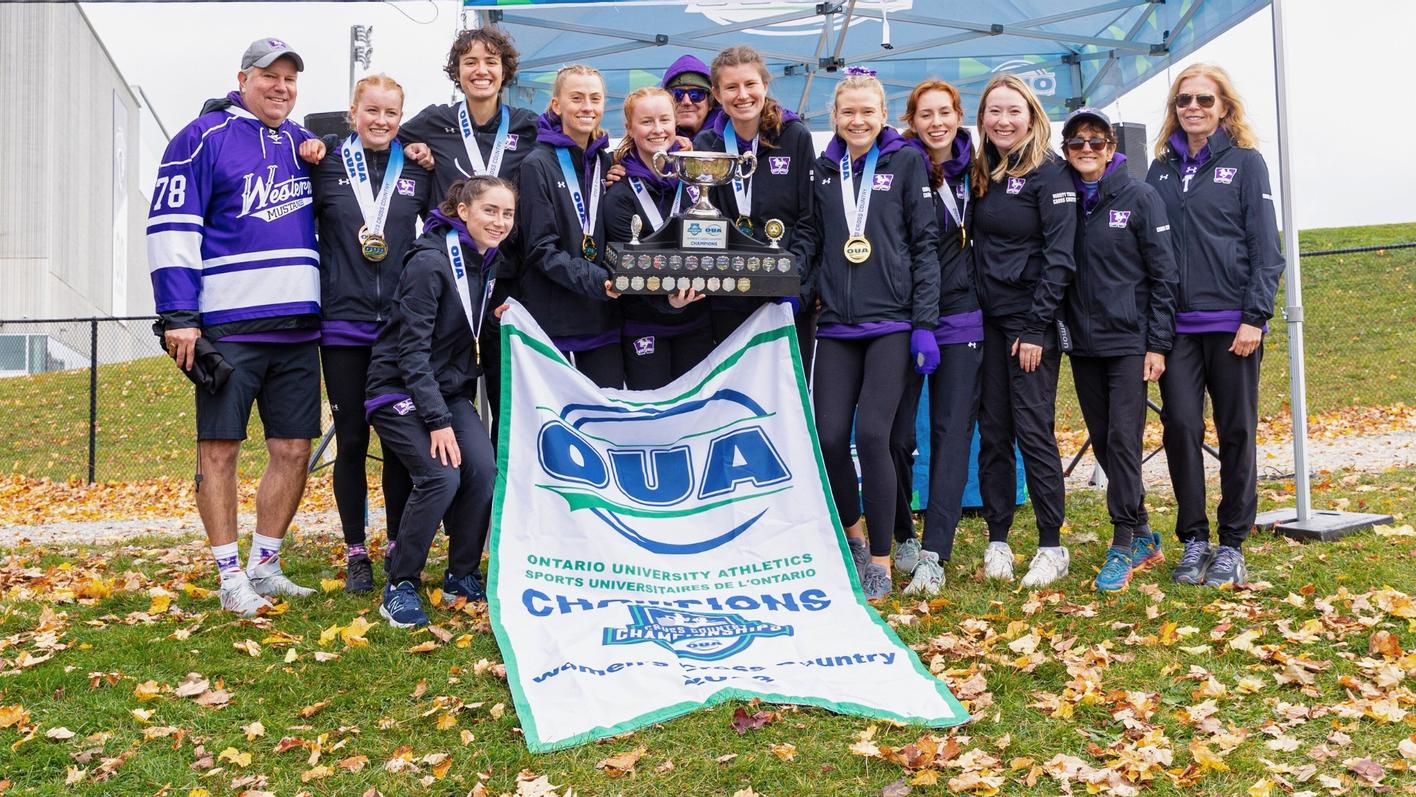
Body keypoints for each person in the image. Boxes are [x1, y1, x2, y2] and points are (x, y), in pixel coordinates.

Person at [148, 38, 323, 616]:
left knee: (294, 448)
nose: (281, 87)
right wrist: (179, 318)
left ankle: (265, 566)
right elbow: (172, 227)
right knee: (219, 452)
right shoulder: (201, 138)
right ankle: (229, 577)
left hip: (298, 329)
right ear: (242, 79)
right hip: (230, 328)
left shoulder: (301, 143)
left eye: (290, 79)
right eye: (269, 76)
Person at [792, 69, 941, 600]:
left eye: (867, 112)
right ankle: (854, 537)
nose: (857, 120)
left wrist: (924, 325)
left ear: (882, 115)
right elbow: (814, 235)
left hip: (893, 323)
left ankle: (880, 559)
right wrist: (796, 285)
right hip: (835, 324)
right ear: (834, 117)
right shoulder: (823, 168)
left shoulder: (905, 162)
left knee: (874, 436)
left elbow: (924, 246)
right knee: (830, 436)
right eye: (847, 112)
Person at [1146, 64, 1282, 587]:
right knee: (1179, 425)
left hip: (1233, 326)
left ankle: (1232, 543)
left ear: (1224, 106)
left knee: (1236, 431)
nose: (1194, 108)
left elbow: (1265, 248)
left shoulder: (1246, 164)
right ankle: (1194, 539)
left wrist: (1255, 316)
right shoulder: (1158, 171)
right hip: (1176, 329)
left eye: (1205, 99)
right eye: (1184, 101)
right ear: (1174, 109)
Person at [365, 176, 514, 628]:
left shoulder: (489, 260)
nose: (499, 221)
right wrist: (436, 420)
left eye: (507, 213)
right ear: (463, 210)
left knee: (484, 470)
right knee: (440, 475)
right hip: (397, 390)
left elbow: (477, 334)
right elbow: (411, 351)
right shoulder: (431, 261)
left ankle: (461, 576)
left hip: (447, 391)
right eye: (490, 210)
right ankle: (401, 583)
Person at [308, 74, 431, 593]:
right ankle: (356, 549)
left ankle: (401, 545)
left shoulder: (419, 168)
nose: (381, 121)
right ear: (352, 111)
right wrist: (309, 144)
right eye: (372, 111)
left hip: (398, 330)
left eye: (391, 113)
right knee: (353, 440)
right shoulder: (324, 162)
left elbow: (446, 226)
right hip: (342, 324)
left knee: (400, 441)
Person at [1059, 107, 1178, 592]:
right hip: (1084, 345)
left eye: (1097, 141)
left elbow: (1163, 275)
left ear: (1112, 147)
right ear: (1066, 149)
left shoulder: (1140, 196)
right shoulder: (1061, 198)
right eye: (1077, 142)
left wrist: (1158, 343)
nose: (1087, 150)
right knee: (1106, 442)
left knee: (1125, 443)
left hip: (1130, 342)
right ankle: (1146, 534)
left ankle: (1122, 542)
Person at [400, 27, 538, 435]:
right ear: (456, 71)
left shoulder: (528, 127)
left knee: (507, 404)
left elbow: (575, 145)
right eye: (470, 62)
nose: (481, 71)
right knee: (451, 387)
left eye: (491, 62)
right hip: (450, 281)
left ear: (505, 71)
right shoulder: (432, 122)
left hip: (507, 280)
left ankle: (499, 493)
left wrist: (610, 154)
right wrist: (410, 149)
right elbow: (378, 139)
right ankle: (455, 481)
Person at [970, 74, 1077, 588]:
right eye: (994, 111)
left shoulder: (1051, 174)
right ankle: (997, 540)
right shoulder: (985, 168)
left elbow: (1061, 258)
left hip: (1030, 327)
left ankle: (1051, 545)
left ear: (1032, 116)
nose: (1003, 121)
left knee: (1034, 432)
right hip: (987, 324)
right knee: (993, 434)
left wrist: (1036, 327)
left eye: (1014, 111)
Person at [889, 79, 984, 596]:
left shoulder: (980, 166)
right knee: (897, 435)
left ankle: (935, 552)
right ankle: (902, 533)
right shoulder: (900, 164)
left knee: (951, 437)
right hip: (909, 318)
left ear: (957, 114)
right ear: (912, 120)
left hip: (964, 318)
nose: (936, 123)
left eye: (944, 112)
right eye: (925, 115)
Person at [694, 46, 817, 372]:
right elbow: (707, 224)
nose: (742, 95)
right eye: (731, 87)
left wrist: (792, 281)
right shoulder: (707, 145)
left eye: (750, 84)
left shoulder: (794, 136)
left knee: (787, 399)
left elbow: (809, 220)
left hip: (786, 299)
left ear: (764, 85)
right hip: (729, 298)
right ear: (717, 94)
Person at [516, 64, 624, 388]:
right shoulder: (537, 164)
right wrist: (600, 280)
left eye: (595, 98)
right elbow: (540, 248)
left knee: (606, 424)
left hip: (603, 319)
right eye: (576, 98)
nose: (587, 107)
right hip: (555, 322)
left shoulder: (607, 163)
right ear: (556, 105)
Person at [603, 87, 711, 389]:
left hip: (697, 321)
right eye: (646, 121)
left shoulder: (696, 180)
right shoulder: (619, 191)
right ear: (629, 127)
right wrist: (667, 301)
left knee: (697, 417)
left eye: (664, 119)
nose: (658, 129)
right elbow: (627, 265)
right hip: (643, 323)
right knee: (654, 421)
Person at [661, 55, 723, 138]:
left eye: (696, 94)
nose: (686, 102)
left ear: (710, 103)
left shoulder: (730, 136)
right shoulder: (649, 140)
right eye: (677, 94)